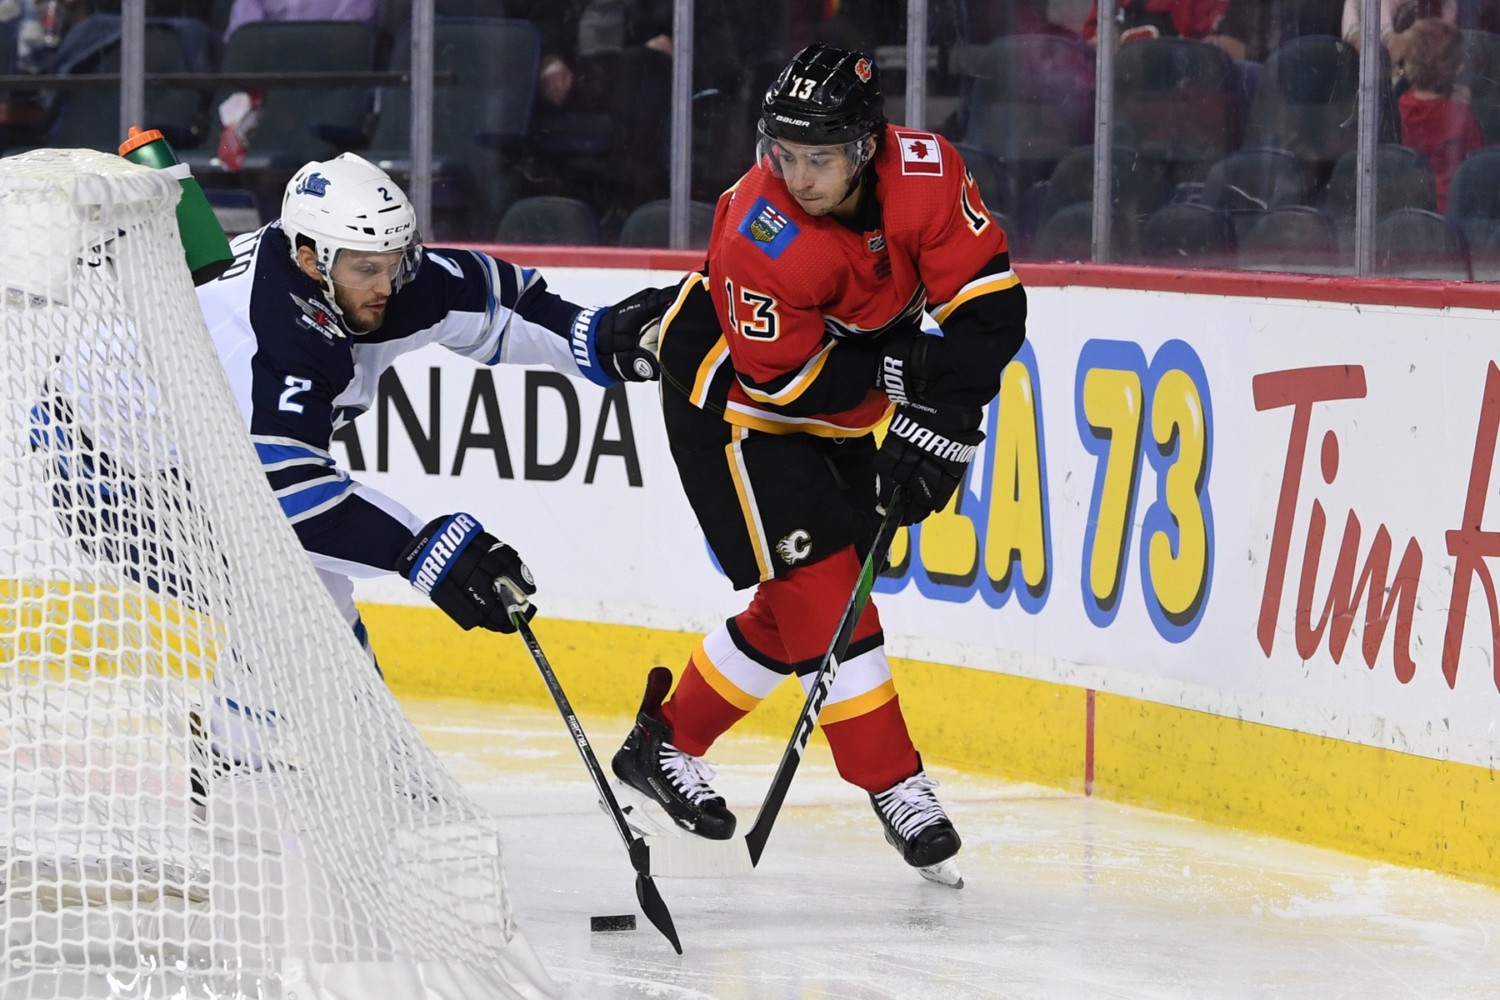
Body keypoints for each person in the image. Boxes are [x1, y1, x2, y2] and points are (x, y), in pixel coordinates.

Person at [609, 44, 1026, 886]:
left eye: (821, 158)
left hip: (836, 404)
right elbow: (789, 383)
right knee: (826, 591)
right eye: (784, 155)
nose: (798, 176)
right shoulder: (761, 229)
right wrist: (916, 395)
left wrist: (947, 420)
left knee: (793, 609)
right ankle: (896, 784)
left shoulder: (930, 174)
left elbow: (991, 319)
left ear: (867, 146)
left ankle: (666, 740)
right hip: (733, 410)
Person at [195, 151, 665, 662]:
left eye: (395, 262)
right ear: (310, 261)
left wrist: (589, 336)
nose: (385, 287)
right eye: (367, 269)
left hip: (229, 467)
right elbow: (289, 497)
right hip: (126, 474)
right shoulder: (273, 340)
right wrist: (422, 550)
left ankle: (238, 739)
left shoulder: (369, 274)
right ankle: (254, 739)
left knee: (311, 617)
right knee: (302, 606)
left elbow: (493, 303)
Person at [1397, 16, 1484, 210]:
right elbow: (1478, 161)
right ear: (1457, 69)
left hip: (1409, 205)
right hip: (1450, 208)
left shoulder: (1402, 103)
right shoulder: (1459, 115)